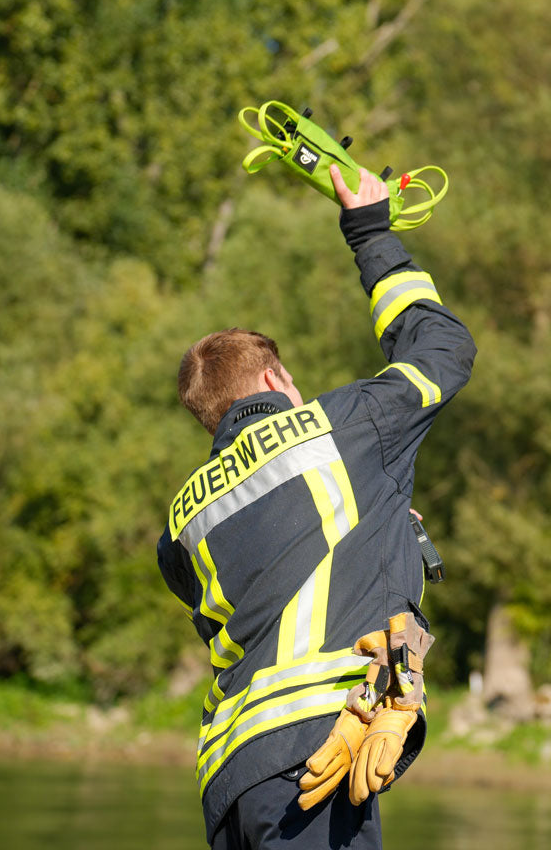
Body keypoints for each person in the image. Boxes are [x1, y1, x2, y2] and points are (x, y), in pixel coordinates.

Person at [158, 164, 476, 849]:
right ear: (276, 379)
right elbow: (444, 347)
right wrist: (371, 233)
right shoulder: (346, 425)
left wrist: (385, 526)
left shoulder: (182, 524)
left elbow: (278, 576)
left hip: (229, 780)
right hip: (314, 753)